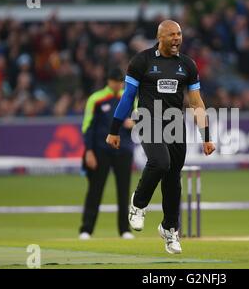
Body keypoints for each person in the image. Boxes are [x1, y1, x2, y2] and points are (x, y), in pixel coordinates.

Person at [106, 20, 215, 254]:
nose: (177, 38)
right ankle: (138, 204)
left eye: (179, 34)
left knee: (173, 178)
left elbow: (196, 103)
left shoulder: (187, 64)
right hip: (148, 119)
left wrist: (206, 135)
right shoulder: (142, 61)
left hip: (175, 124)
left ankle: (169, 228)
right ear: (160, 37)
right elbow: (127, 97)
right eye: (171, 35)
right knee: (160, 162)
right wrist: (114, 130)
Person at [79, 68, 135, 240]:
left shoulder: (129, 97)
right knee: (95, 190)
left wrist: (134, 121)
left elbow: (140, 116)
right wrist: (88, 151)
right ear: (108, 81)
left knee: (123, 191)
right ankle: (86, 229)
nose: (118, 84)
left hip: (123, 150)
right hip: (100, 151)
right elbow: (87, 127)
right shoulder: (96, 99)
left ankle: (124, 230)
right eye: (115, 81)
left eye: (121, 81)